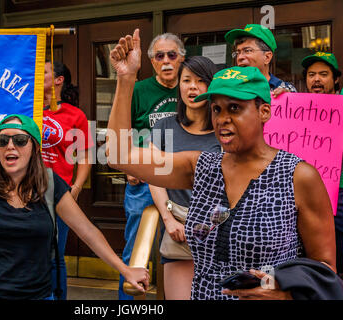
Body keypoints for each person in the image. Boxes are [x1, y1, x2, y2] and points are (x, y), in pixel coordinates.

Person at [107, 29, 336, 300]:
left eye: (235, 108)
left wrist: (286, 295)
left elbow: (325, 270)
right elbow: (119, 156)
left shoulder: (297, 176)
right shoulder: (202, 167)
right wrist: (126, 78)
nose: (222, 118)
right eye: (216, 109)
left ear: (264, 112)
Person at [0, 83, 149, 300]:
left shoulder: (51, 186)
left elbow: (88, 232)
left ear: (34, 148)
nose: (10, 146)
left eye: (20, 140)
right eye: (3, 140)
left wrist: (125, 269)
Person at [119, 32, 186, 300]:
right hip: (145, 178)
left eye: (172, 55)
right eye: (160, 56)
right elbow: (122, 131)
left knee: (187, 249)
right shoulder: (139, 90)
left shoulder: (192, 87)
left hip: (184, 181)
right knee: (136, 251)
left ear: (182, 58)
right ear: (152, 61)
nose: (167, 60)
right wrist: (129, 166)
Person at [149, 56, 221, 299]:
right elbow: (155, 177)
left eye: (201, 81)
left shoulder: (224, 128)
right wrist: (168, 220)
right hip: (178, 229)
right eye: (187, 80)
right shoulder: (165, 127)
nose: (193, 87)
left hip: (220, 231)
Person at [42, 61, 93, 299]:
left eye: (43, 72)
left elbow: (85, 156)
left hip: (57, 193)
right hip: (23, 192)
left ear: (59, 80)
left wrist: (76, 188)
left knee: (54, 255)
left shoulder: (75, 115)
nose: (35, 76)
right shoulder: (25, 107)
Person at [301, 51, 343, 278]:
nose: (316, 79)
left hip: (340, 192)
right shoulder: (297, 107)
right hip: (312, 193)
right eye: (311, 74)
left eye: (323, 74)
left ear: (336, 79)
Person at [225, 24, 297, 97]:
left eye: (247, 50)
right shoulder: (231, 89)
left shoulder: (285, 89)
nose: (239, 57)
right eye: (238, 52)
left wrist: (288, 98)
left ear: (267, 57)